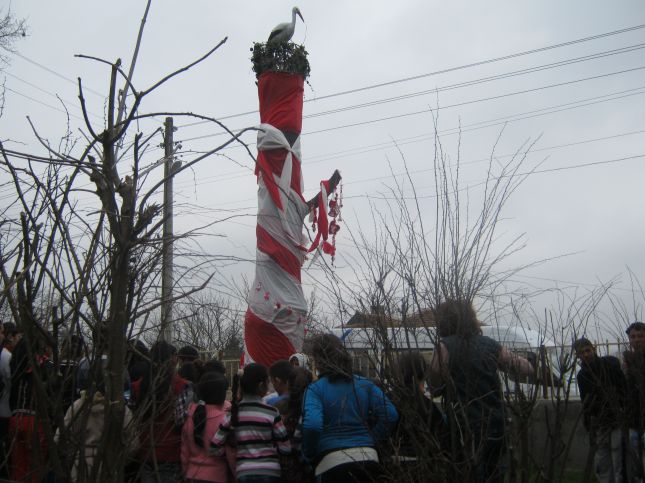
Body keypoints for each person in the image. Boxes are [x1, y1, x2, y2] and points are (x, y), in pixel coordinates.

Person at [429, 299, 533, 483]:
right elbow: (526, 369)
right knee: (494, 474)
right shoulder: (489, 344)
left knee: (468, 473)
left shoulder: (444, 346)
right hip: (496, 422)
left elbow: (435, 387)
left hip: (464, 425)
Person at [301, 333, 398, 482]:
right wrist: (371, 439)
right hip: (369, 458)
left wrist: (308, 454)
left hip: (330, 462)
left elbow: (313, 424)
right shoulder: (365, 384)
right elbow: (390, 414)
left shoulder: (315, 389)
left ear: (318, 360)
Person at [211, 363, 291, 483]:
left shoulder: (233, 413)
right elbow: (286, 448)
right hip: (270, 472)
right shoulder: (272, 412)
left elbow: (214, 447)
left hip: (244, 473)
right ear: (261, 386)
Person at [56, 363, 135, 480]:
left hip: (79, 468)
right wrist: (119, 460)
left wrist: (73, 456)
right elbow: (133, 444)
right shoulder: (121, 409)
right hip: (109, 469)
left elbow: (60, 438)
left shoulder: (78, 406)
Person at [131, 340, 193, 483]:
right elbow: (181, 420)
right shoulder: (182, 386)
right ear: (171, 359)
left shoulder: (137, 387)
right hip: (171, 450)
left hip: (144, 450)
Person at [574, 337, 627, 483]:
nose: (586, 354)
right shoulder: (582, 375)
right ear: (577, 356)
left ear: (594, 349)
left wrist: (622, 409)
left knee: (618, 460)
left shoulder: (609, 365)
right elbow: (585, 401)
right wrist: (588, 422)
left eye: (588, 350)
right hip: (599, 423)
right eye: (582, 352)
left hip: (616, 420)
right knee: (602, 462)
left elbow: (623, 389)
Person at [387, 351, 447, 478]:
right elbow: (442, 438)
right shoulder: (429, 407)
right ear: (423, 374)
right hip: (423, 464)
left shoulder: (386, 400)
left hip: (391, 461)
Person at [181, 372, 235, 483]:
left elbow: (184, 450)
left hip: (192, 474)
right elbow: (230, 454)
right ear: (222, 394)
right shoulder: (225, 419)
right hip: (218, 475)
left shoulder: (191, 416)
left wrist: (185, 472)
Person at [275, 367, 314, 483]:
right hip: (309, 469)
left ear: (287, 383)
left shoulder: (278, 408)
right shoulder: (313, 408)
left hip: (284, 469)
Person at [622, 321, 645, 479]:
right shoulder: (627, 362)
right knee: (636, 466)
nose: (636, 340)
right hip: (633, 420)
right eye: (633, 337)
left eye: (641, 336)